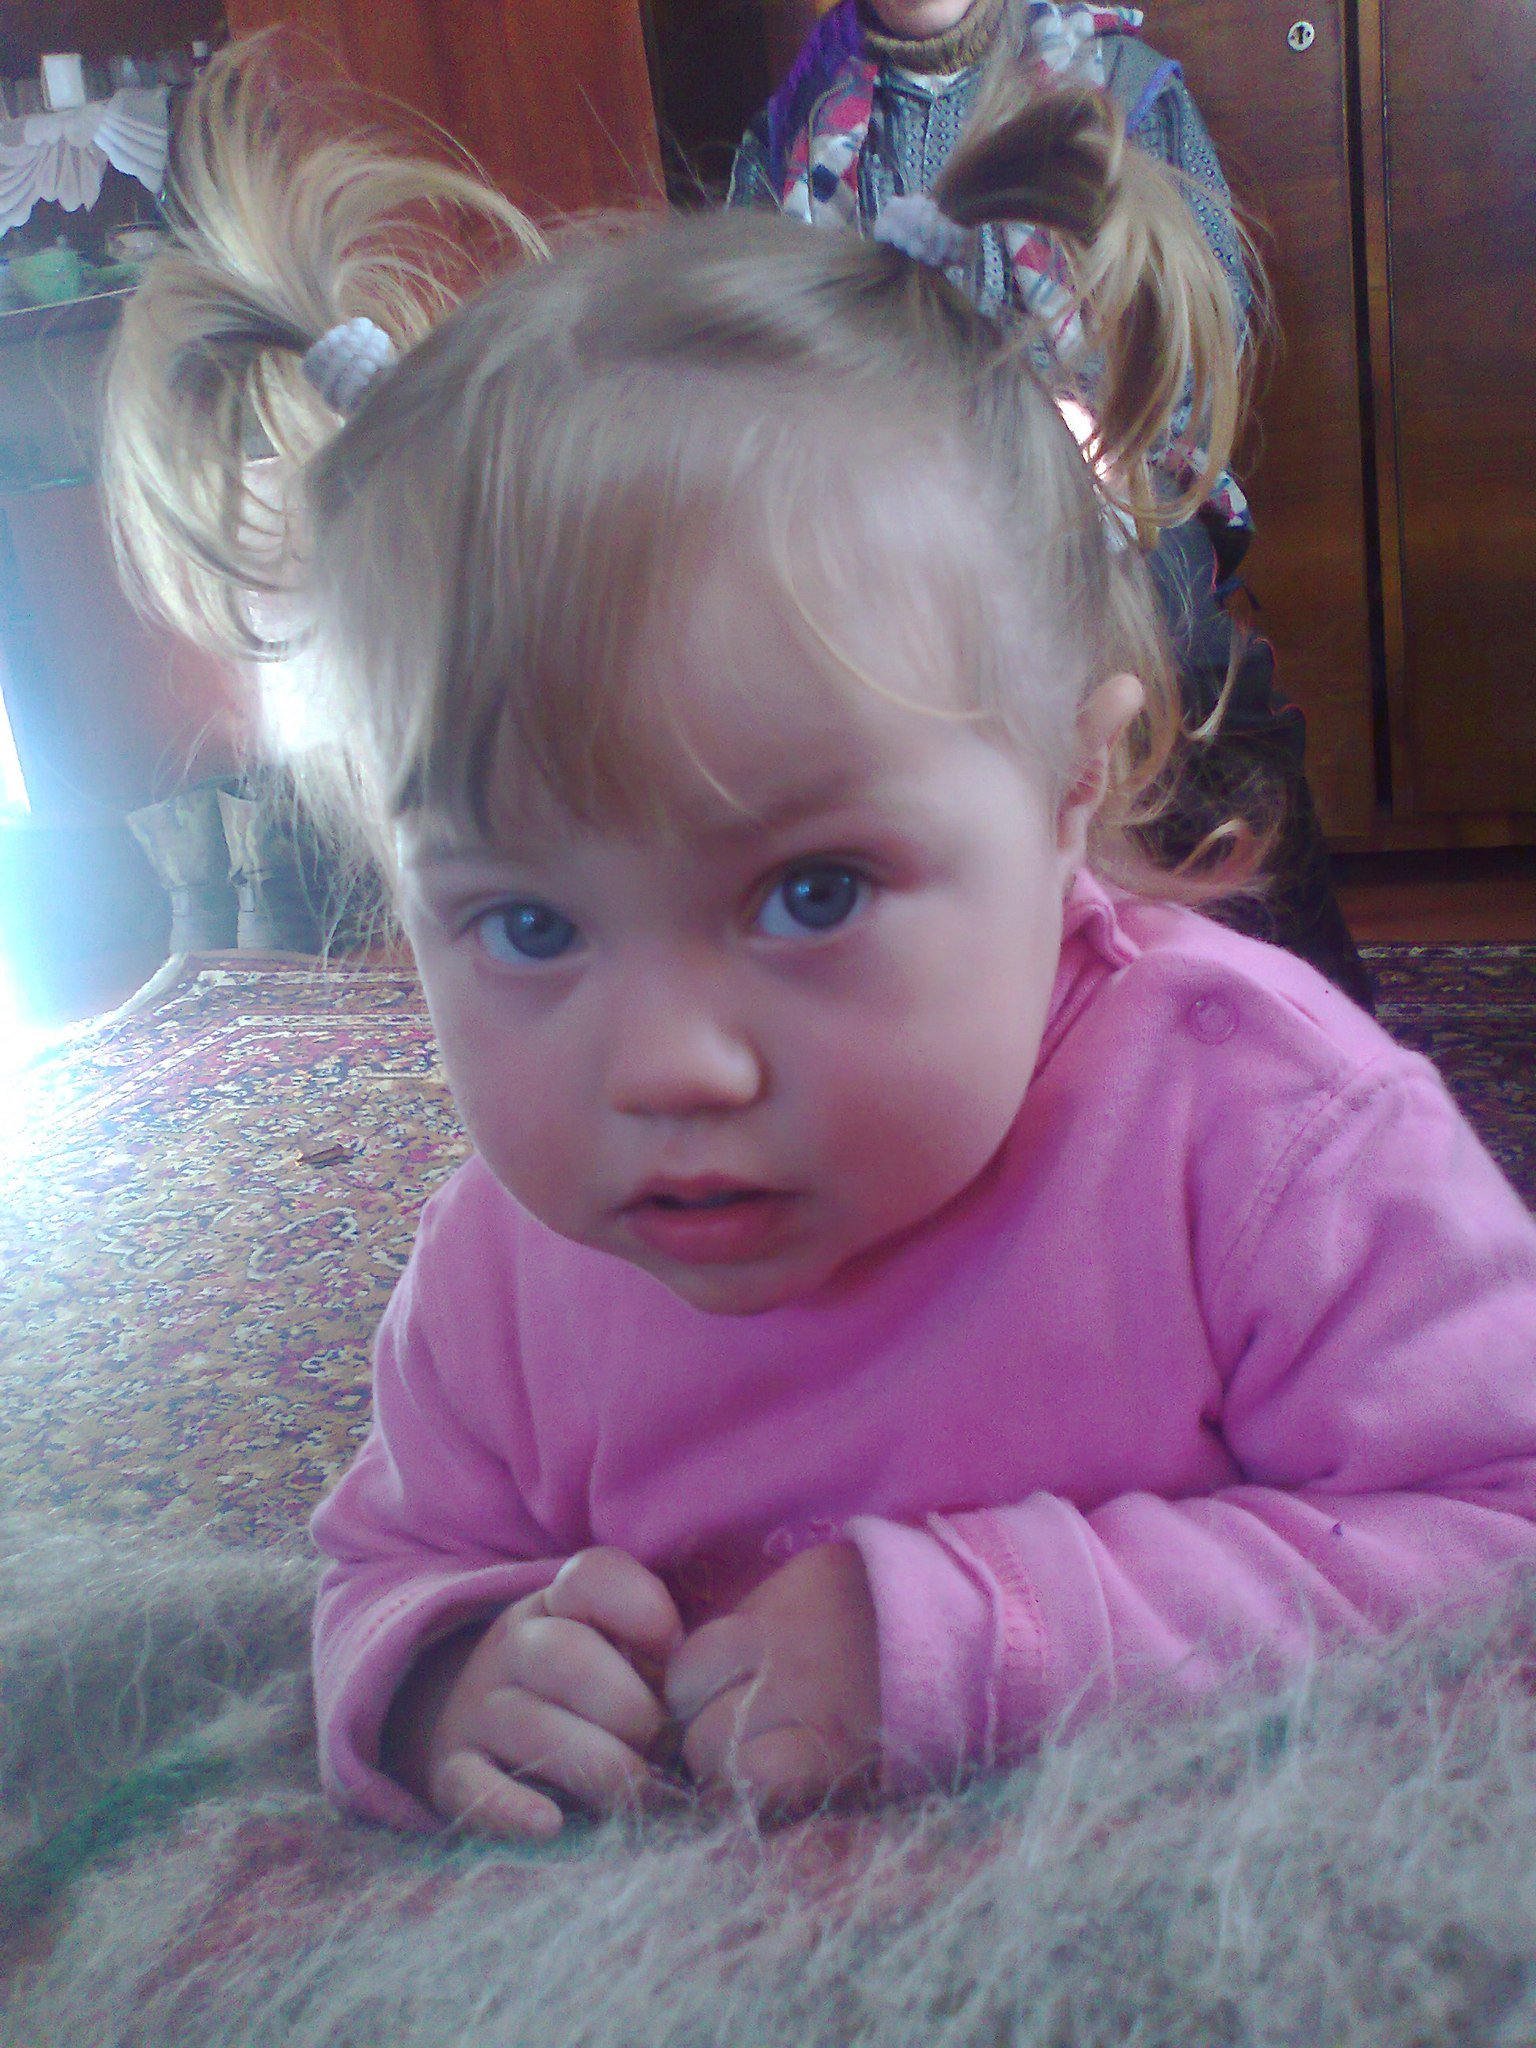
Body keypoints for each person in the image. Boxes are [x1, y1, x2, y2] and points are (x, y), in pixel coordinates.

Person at [103, 42, 1536, 1844]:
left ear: (1071, 784)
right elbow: (395, 1561)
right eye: (528, 921)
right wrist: (447, 1666)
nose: (664, 1067)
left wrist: (1001, 1639)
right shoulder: (502, 1280)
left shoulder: (1267, 1143)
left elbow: (1500, 1537)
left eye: (813, 893)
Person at [728, 0, 1377, 1011]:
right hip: (899, 506)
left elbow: (1211, 313)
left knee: (1199, 681)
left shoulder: (1123, 86)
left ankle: (1318, 1004)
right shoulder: (793, 127)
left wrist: (1106, 426)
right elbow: (758, 363)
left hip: (1115, 489)